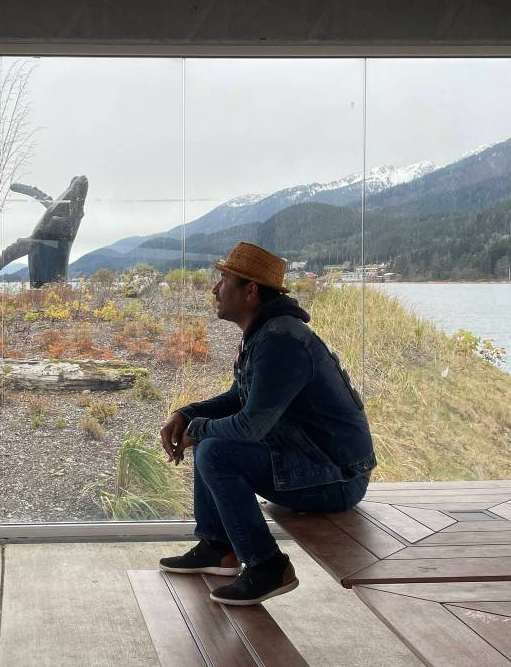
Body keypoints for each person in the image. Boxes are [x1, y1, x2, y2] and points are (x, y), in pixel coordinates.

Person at [159, 242, 376, 606]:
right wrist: (188, 413)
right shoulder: (267, 333)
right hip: (317, 462)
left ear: (251, 291)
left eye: (224, 279)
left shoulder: (281, 341)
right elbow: (239, 398)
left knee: (214, 450)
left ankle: (268, 567)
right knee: (210, 438)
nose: (214, 289)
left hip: (339, 478)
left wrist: (198, 429)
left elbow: (249, 428)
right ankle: (218, 548)